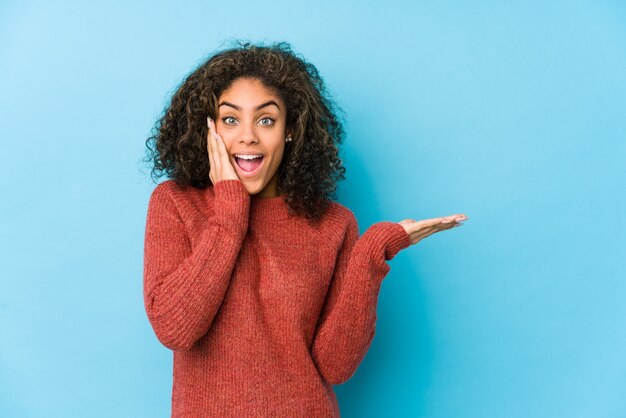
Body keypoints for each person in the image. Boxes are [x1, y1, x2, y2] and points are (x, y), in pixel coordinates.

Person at [142, 40, 468, 417]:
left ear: (291, 130)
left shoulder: (332, 224)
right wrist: (230, 208)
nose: (247, 135)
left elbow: (335, 366)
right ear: (210, 129)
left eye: (266, 119)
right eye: (231, 119)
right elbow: (175, 329)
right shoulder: (175, 203)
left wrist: (371, 253)